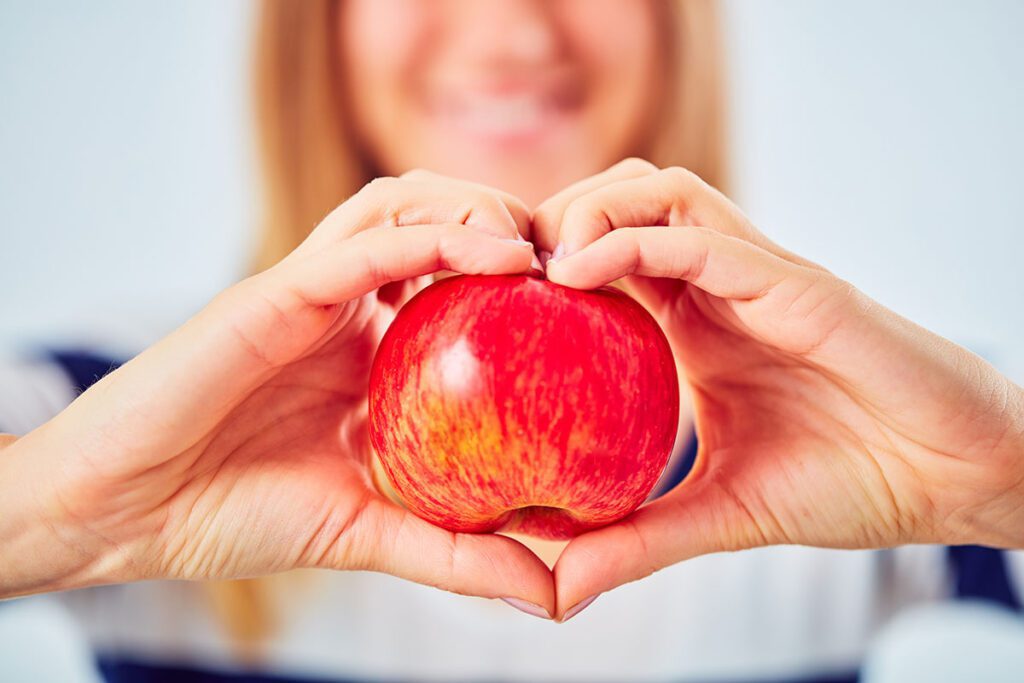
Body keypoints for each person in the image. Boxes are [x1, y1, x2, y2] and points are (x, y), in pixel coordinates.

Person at [2, 1, 1022, 681]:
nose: (507, 30)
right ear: (322, 31)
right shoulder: (106, 402)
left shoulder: (870, 430)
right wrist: (55, 519)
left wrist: (998, 481)